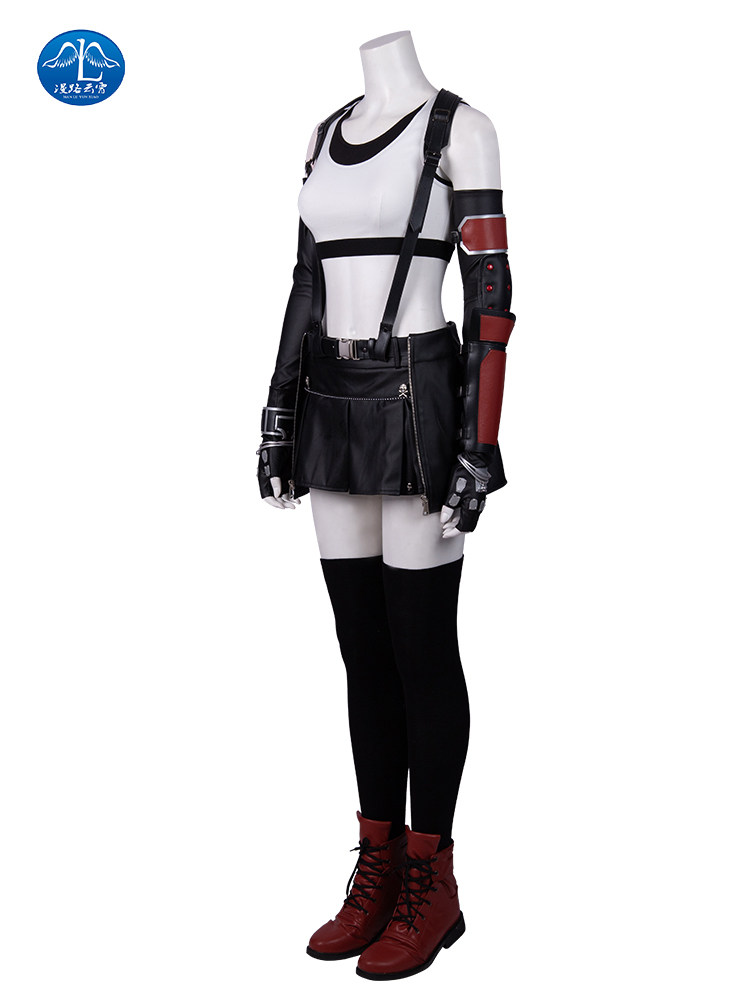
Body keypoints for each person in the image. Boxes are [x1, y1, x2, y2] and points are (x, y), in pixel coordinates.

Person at [256, 30, 516, 981]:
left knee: (421, 650)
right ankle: (377, 867)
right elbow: (306, 283)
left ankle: (430, 881)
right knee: (362, 653)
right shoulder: (324, 134)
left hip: (419, 399)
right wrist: (278, 414)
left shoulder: (461, 129)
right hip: (331, 400)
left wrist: (479, 445)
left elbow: (492, 298)